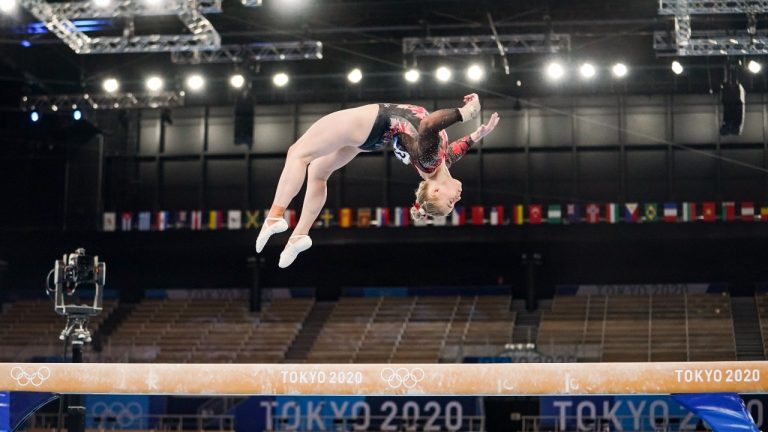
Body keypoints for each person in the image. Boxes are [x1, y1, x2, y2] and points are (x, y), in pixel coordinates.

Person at [255, 93, 500, 268]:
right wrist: (479, 134)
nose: (456, 200)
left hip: (370, 122)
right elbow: (457, 148)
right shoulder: (440, 163)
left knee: (298, 154)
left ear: (435, 192)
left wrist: (467, 113)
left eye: (449, 204)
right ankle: (300, 235)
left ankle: (275, 217)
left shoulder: (430, 158)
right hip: (373, 139)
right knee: (318, 173)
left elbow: (428, 125)